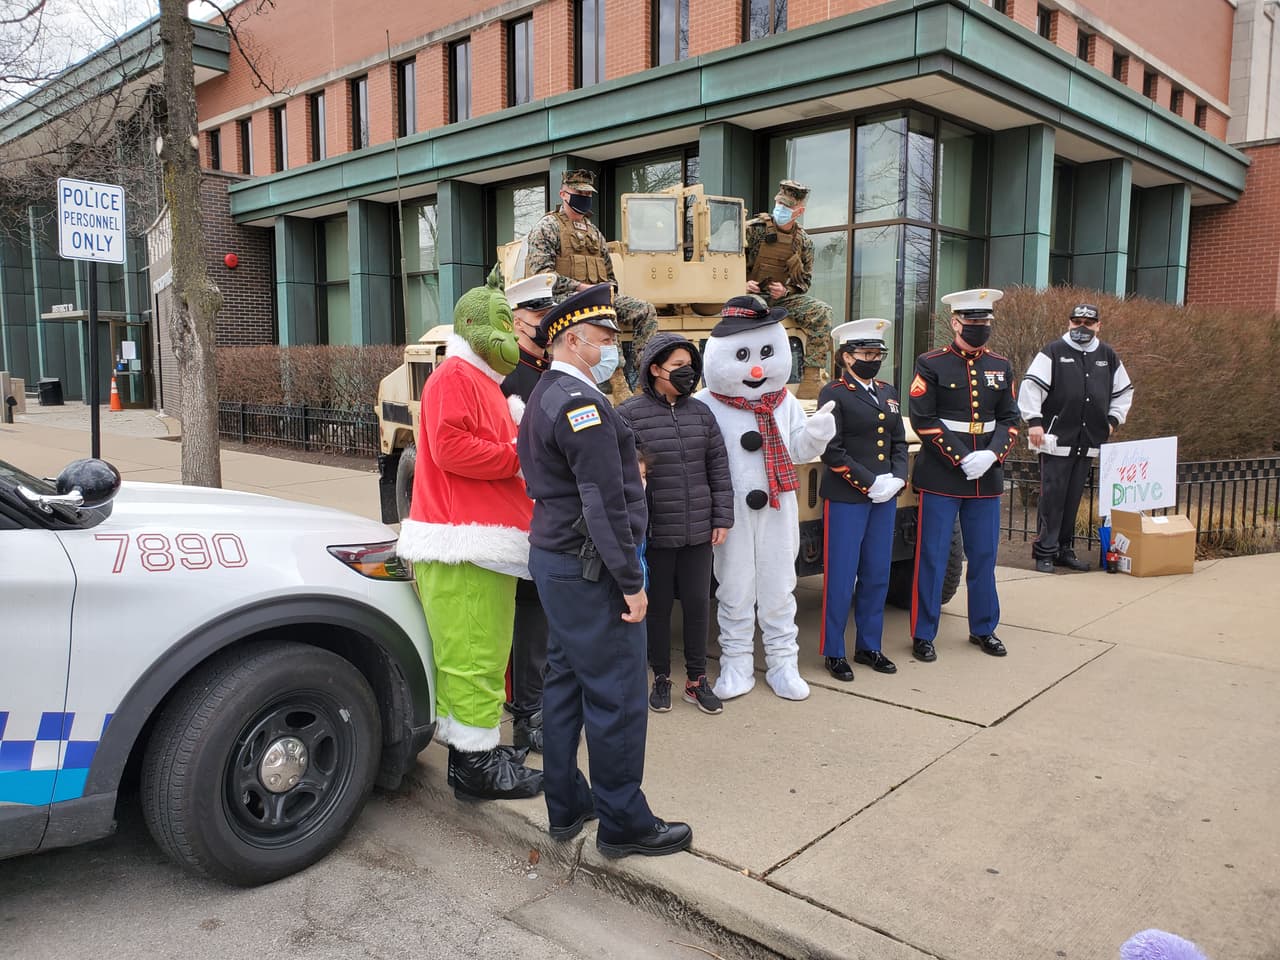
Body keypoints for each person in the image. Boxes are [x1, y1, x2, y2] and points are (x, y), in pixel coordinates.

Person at [518, 282, 692, 859]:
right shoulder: (580, 404)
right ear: (573, 339)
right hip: (591, 568)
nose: (613, 348)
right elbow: (604, 501)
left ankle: (567, 804)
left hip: (560, 561)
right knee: (618, 693)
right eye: (605, 338)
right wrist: (632, 581)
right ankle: (623, 821)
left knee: (566, 682)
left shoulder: (548, 391)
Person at [396, 267, 541, 801]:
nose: (516, 333)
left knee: (476, 653)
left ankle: (473, 752)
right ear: (479, 326)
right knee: (476, 656)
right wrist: (519, 456)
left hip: (478, 542)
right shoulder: (456, 377)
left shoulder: (480, 380)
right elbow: (452, 449)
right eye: (508, 322)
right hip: (464, 542)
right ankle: (475, 767)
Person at [617, 332, 733, 716]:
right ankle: (662, 676)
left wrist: (722, 517)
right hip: (657, 533)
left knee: (700, 606)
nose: (688, 373)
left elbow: (718, 467)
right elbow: (621, 476)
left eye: (691, 366)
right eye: (678, 367)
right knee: (660, 608)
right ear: (655, 369)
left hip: (699, 531)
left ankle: (697, 680)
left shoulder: (701, 413)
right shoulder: (629, 415)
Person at [907, 288, 1020, 663]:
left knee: (985, 556)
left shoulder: (1000, 366)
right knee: (933, 556)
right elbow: (924, 419)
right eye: (972, 322)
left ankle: (984, 628)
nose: (978, 328)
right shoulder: (931, 363)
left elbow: (1009, 418)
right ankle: (924, 633)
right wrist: (960, 456)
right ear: (956, 323)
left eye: (984, 322)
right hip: (942, 474)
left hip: (984, 477)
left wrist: (991, 454)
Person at [817, 318, 907, 682]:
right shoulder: (834, 393)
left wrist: (898, 477)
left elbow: (899, 441)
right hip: (847, 496)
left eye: (877, 352)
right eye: (865, 352)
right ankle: (834, 650)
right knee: (841, 576)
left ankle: (870, 645)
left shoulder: (887, 391)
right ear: (846, 357)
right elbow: (831, 449)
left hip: (884, 497)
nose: (873, 358)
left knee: (876, 573)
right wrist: (869, 482)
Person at [1018, 303, 1134, 574]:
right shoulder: (1053, 351)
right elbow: (1031, 386)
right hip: (1056, 439)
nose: (1082, 327)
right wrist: (1034, 422)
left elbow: (1124, 391)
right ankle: (1045, 551)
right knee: (1052, 498)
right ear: (1069, 323)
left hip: (1089, 440)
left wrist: (1112, 422)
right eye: (1077, 321)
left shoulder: (1108, 355)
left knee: (1072, 499)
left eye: (1088, 322)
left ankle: (1064, 549)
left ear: (1098, 326)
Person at [523, 169, 659, 387]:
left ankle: (646, 378)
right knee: (601, 308)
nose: (584, 198)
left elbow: (610, 276)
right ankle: (617, 380)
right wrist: (580, 287)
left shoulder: (594, 233)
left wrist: (607, 291)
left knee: (645, 309)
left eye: (588, 195)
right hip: (562, 299)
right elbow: (542, 276)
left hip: (596, 297)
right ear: (564, 194)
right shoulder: (548, 227)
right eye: (579, 193)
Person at [500, 273, 558, 752]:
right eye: (541, 316)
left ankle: (542, 702)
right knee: (526, 622)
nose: (548, 324)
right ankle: (525, 713)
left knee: (548, 618)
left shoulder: (552, 373)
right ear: (519, 321)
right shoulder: (506, 376)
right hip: (518, 513)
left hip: (554, 513)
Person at [744, 179, 834, 400]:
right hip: (746, 296)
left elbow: (804, 281)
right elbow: (724, 262)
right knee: (759, 309)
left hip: (780, 298)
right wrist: (741, 283)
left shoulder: (803, 242)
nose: (781, 210)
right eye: (779, 204)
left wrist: (785, 291)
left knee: (822, 311)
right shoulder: (753, 231)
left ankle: (811, 379)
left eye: (787, 207)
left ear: (799, 211)